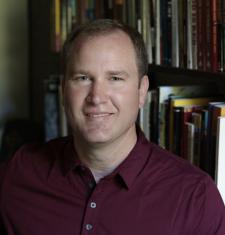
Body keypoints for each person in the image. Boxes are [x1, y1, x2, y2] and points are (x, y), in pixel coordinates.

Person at [0, 19, 224, 235]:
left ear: (142, 91)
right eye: (83, 78)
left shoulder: (194, 198)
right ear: (63, 90)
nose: (97, 97)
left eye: (115, 78)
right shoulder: (19, 173)